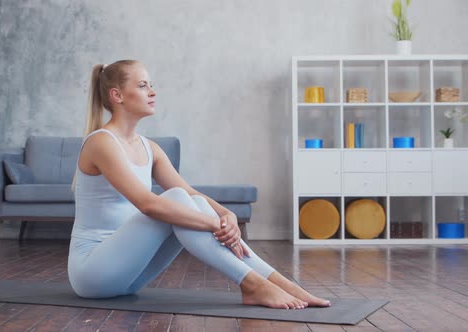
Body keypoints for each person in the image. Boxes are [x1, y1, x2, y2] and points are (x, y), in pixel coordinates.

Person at [67, 60, 331, 309]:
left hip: (129, 278)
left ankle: (278, 283)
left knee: (191, 200)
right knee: (175, 199)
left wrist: (227, 215)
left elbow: (192, 194)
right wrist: (216, 225)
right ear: (117, 95)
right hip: (93, 274)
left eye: (151, 84)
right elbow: (148, 205)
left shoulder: (150, 148)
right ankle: (251, 284)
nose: (153, 92)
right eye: (143, 85)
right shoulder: (101, 142)